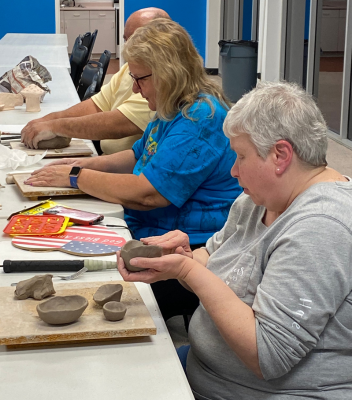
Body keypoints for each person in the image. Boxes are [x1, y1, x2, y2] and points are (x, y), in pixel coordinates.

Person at [117, 81, 352, 399]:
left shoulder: (321, 227)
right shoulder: (260, 199)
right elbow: (213, 260)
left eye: (241, 156)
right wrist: (183, 261)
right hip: (207, 372)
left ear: (280, 155)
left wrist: (189, 272)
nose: (233, 171)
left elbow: (268, 354)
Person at [25, 19, 242, 321]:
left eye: (140, 79)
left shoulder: (199, 118)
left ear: (168, 73)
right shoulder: (174, 104)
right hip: (151, 233)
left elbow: (147, 194)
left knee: (84, 292)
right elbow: (137, 154)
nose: (136, 90)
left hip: (189, 250)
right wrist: (80, 165)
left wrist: (77, 178)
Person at [20, 8, 170, 155]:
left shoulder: (161, 84)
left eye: (137, 42)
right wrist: (47, 120)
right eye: (126, 40)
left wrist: (55, 126)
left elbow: (117, 124)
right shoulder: (130, 70)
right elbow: (96, 105)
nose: (128, 48)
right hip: (112, 162)